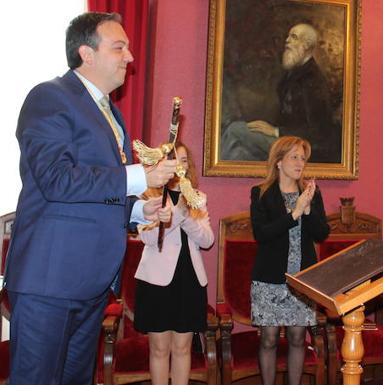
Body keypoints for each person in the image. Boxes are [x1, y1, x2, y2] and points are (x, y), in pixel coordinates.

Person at [3, 12, 177, 385]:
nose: (130, 57)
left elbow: (96, 192)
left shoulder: (109, 111)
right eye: (119, 47)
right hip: (50, 280)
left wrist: (137, 208)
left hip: (91, 283)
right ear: (87, 53)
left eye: (129, 47)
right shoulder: (50, 96)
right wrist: (140, 176)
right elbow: (56, 180)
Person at [249, 136, 330, 385]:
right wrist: (294, 214)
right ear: (279, 161)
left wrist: (307, 210)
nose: (299, 163)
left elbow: (322, 233)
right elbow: (262, 234)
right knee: (269, 339)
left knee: (297, 338)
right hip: (269, 278)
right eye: (294, 157)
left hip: (302, 280)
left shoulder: (311, 194)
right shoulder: (261, 193)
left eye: (303, 158)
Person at [134, 142, 214, 385]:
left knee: (183, 349)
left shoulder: (197, 198)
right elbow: (147, 237)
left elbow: (207, 239)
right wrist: (176, 214)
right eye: (175, 159)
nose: (181, 164)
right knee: (159, 349)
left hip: (190, 279)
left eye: (185, 160)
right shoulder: (149, 197)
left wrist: (186, 215)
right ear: (163, 164)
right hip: (156, 281)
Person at [220, 23, 340, 163]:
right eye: (288, 36)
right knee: (239, 153)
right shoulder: (293, 73)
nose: (287, 40)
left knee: (235, 130)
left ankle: (215, 170)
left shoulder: (313, 81)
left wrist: (276, 131)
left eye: (293, 37)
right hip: (285, 141)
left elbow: (319, 132)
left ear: (306, 45)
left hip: (298, 148)